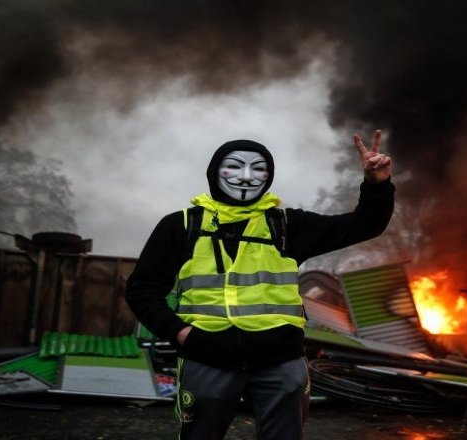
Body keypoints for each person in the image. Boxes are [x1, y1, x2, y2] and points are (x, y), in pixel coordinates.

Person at [125, 131, 393, 439]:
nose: (246, 177)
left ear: (269, 176)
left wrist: (377, 185)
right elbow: (142, 289)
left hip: (280, 360)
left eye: (258, 168)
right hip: (207, 356)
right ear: (215, 172)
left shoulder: (288, 226)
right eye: (234, 167)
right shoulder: (181, 226)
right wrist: (181, 333)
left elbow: (365, 225)